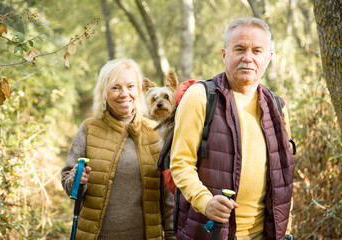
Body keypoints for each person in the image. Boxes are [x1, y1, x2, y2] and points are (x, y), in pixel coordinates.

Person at [170, 17, 294, 240]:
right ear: (224, 54)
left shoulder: (277, 107)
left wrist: (286, 228)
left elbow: (283, 175)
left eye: (257, 51)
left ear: (269, 57)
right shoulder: (201, 97)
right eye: (239, 49)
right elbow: (180, 163)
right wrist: (205, 202)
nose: (248, 58)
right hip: (209, 232)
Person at [61, 58, 176, 240]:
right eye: (115, 87)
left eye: (130, 86)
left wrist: (171, 235)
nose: (124, 94)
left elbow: (169, 196)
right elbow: (69, 181)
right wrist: (75, 180)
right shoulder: (89, 128)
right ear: (104, 92)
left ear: (139, 90)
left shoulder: (156, 133)